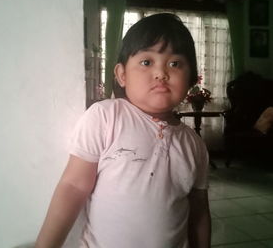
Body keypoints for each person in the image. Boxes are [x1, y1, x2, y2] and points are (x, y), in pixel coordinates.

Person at [36, 13, 211, 248]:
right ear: (121, 75)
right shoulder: (106, 117)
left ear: (191, 79)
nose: (161, 73)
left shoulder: (194, 145)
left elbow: (199, 211)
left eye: (175, 63)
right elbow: (73, 186)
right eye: (147, 62)